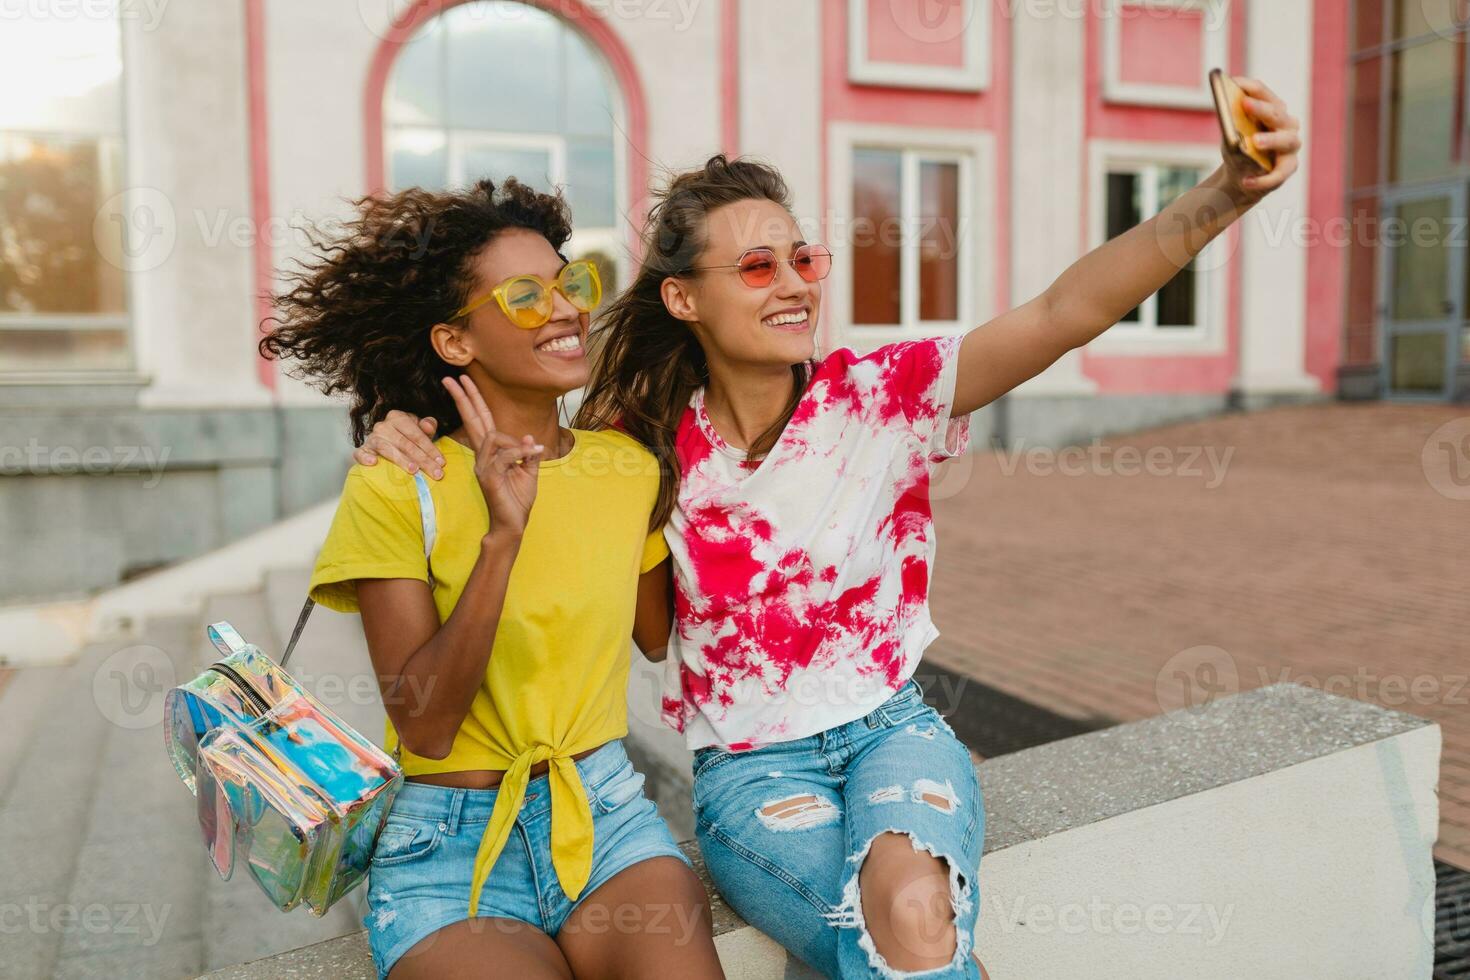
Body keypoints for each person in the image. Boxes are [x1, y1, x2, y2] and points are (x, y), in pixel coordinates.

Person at [356, 76, 1302, 978]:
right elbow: (541, 464)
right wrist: (402, 428)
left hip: (893, 730)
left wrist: (1221, 194)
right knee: (906, 934)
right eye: (758, 266)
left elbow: (1067, 310)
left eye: (804, 259)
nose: (794, 284)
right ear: (683, 298)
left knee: (912, 911)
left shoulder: (883, 397)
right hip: (750, 772)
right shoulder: (641, 446)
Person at [262, 178, 725, 980]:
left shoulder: (629, 470)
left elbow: (656, 636)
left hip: (606, 816)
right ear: (454, 342)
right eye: (522, 296)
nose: (565, 308)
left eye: (569, 283)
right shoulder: (396, 484)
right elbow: (428, 726)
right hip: (447, 845)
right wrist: (502, 540)